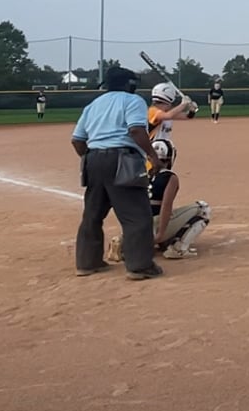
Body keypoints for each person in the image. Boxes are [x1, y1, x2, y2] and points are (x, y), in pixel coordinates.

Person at [70, 66, 162, 279]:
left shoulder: (93, 104)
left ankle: (87, 263)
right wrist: (152, 156)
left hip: (92, 158)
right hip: (122, 158)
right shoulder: (133, 101)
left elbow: (77, 140)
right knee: (136, 215)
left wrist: (91, 159)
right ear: (129, 84)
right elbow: (136, 129)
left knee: (92, 214)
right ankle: (139, 266)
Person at [150, 139, 211, 261]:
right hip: (153, 227)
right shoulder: (169, 177)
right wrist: (161, 234)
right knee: (203, 208)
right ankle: (178, 249)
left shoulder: (145, 175)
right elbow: (166, 207)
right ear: (169, 158)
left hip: (137, 227)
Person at [147, 82, 198, 156]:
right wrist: (183, 104)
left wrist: (192, 110)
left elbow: (187, 116)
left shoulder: (166, 112)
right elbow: (168, 115)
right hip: (154, 147)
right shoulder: (153, 111)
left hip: (164, 148)